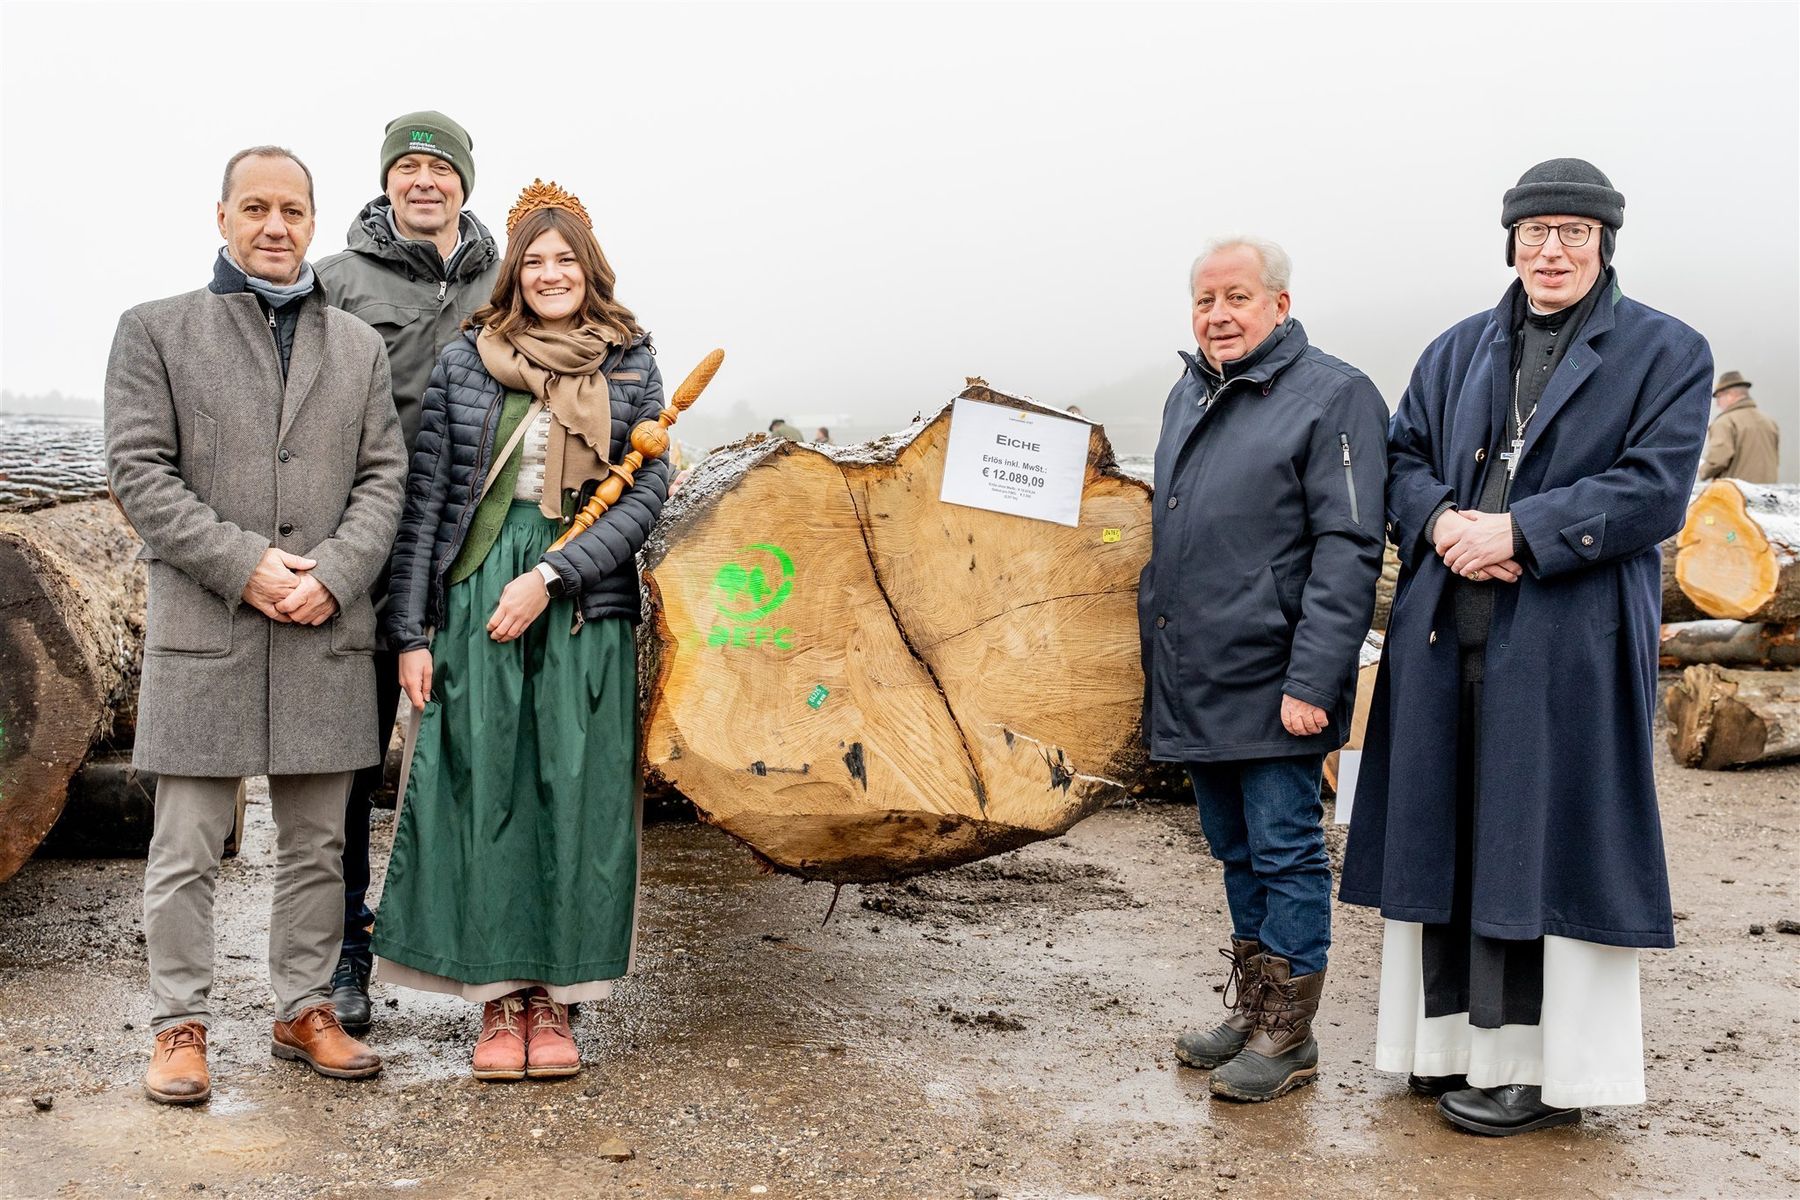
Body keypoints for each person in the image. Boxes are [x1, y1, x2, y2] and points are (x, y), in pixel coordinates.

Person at [1341, 159, 1713, 1136]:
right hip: (1444, 646)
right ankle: (1447, 1046)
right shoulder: (1458, 347)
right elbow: (1402, 456)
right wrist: (1441, 526)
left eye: (1574, 234)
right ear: (1510, 240)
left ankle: (1542, 1073)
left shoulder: (1666, 352)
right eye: (1536, 231)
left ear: (1604, 244)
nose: (1553, 250)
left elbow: (1655, 489)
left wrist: (1520, 534)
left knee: (1542, 851)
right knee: (1450, 846)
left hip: (1569, 654)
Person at [106, 146, 407, 1104]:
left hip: (325, 625)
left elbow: (383, 478)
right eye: (256, 208)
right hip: (206, 629)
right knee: (188, 843)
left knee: (319, 844)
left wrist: (342, 572)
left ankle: (303, 1007)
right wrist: (244, 567)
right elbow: (141, 474)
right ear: (223, 216)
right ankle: (179, 1025)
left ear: (315, 222)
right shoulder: (155, 331)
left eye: (292, 210)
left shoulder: (355, 346)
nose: (275, 226)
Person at [376, 179, 671, 1081]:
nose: (550, 274)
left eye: (564, 259)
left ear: (590, 268)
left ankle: (555, 1001)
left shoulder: (632, 361)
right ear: (515, 272)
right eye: (533, 261)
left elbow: (645, 494)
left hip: (581, 601)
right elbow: (431, 497)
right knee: (482, 789)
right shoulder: (472, 358)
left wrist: (552, 573)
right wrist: (412, 631)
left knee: (572, 796)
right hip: (475, 599)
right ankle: (498, 1003)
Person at [1140, 237, 1388, 1102]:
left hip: (1277, 677)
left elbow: (1348, 548)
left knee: (1286, 850)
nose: (1218, 315)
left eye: (1237, 297)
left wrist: (1315, 681)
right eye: (1204, 301)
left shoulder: (1336, 395)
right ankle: (1253, 1008)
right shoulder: (1188, 392)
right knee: (1234, 848)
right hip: (1199, 673)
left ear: (1279, 305)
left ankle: (1291, 1035)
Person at [315, 110, 502, 1034]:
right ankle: (343, 952)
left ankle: (479, 954)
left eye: (440, 167)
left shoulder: (510, 283)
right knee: (349, 764)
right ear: (387, 181)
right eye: (408, 167)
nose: (423, 181)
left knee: (477, 760)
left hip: (475, 561)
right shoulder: (336, 283)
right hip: (368, 553)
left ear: (465, 183)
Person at [1698, 370, 1779, 482]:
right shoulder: (1769, 422)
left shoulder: (1725, 422)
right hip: (1766, 495)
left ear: (1731, 395)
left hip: (1736, 496)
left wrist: (1702, 470)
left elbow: (1717, 461)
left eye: (1719, 397)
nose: (1717, 403)